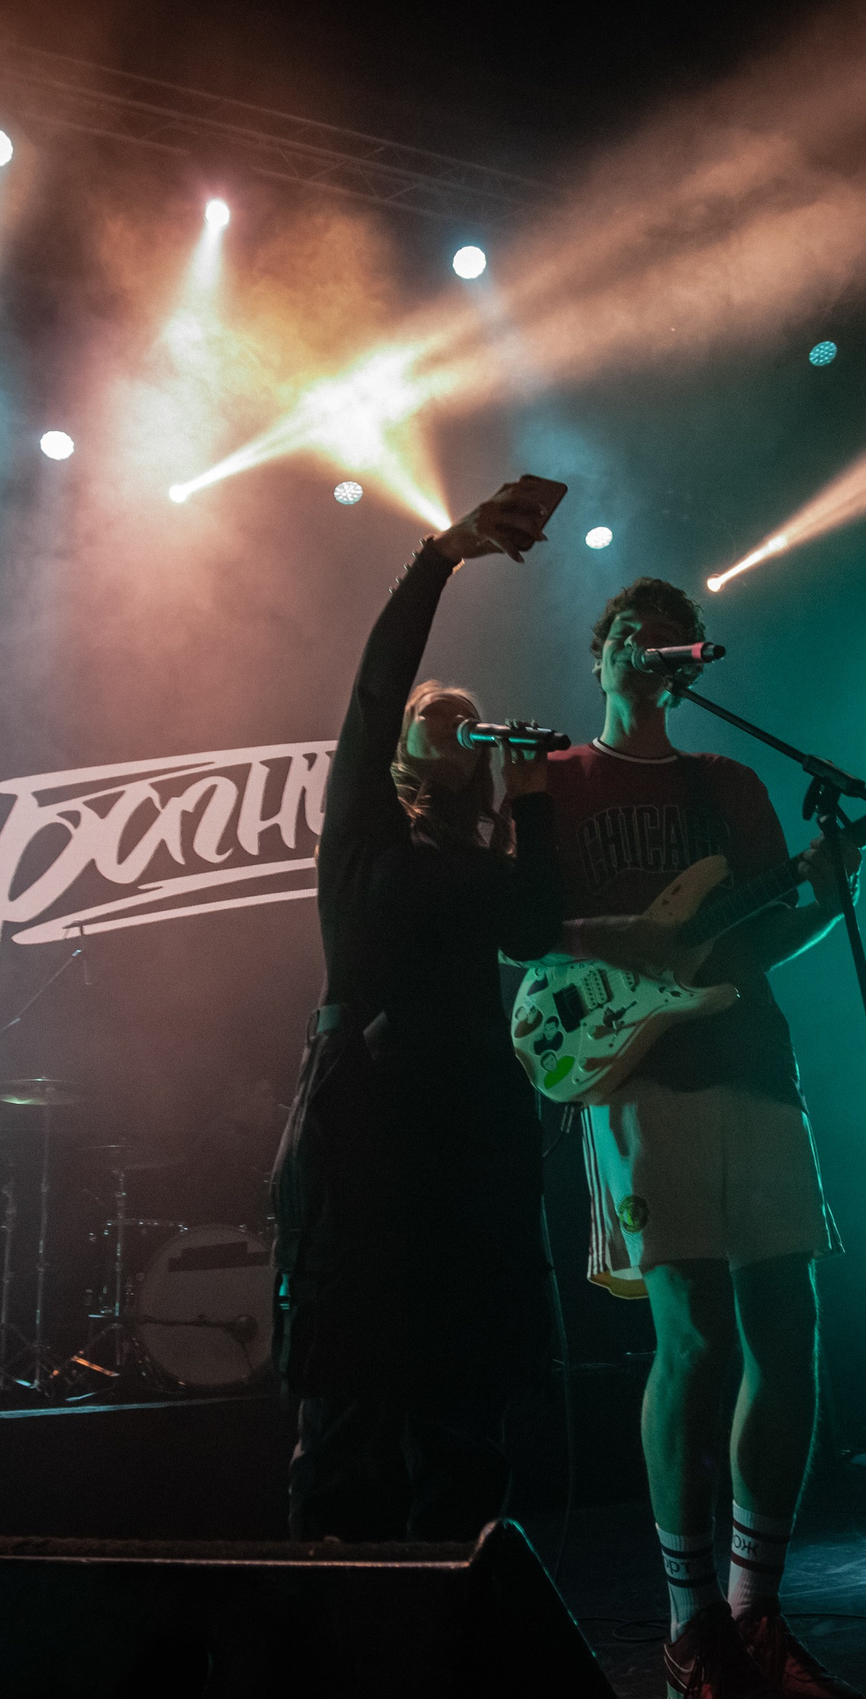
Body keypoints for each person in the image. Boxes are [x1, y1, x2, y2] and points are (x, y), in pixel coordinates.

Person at [539, 576, 865, 1699]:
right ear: (599, 659)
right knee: (698, 1336)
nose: (642, 648)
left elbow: (767, 935)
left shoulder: (729, 782)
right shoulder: (553, 782)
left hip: (754, 1063)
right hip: (637, 1074)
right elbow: (513, 939)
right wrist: (624, 948)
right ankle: (689, 1634)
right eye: (623, 634)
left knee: (791, 1323)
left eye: (660, 639)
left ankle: (754, 1614)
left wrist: (826, 898)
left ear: (686, 664)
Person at [270, 482, 566, 1543]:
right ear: (400, 749)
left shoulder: (481, 861)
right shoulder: (361, 835)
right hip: (368, 1114)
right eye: (432, 718)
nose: (453, 720)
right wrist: (440, 557)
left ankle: (462, 1616)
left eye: (466, 720)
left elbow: (536, 928)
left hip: (474, 1117)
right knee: (351, 1390)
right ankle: (333, 1624)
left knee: (465, 1394)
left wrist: (530, 799)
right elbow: (373, 685)